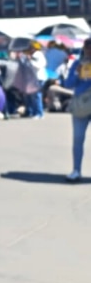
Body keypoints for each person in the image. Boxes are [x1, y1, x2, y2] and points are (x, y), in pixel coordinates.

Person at [62, 38, 91, 182]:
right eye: (88, 48)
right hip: (81, 104)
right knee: (78, 138)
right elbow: (68, 84)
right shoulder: (77, 64)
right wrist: (77, 73)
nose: (90, 51)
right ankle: (76, 170)